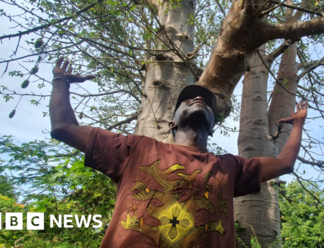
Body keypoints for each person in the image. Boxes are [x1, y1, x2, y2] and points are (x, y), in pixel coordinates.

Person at [50, 57, 308, 248]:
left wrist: (298, 124)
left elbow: (285, 163)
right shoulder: (136, 149)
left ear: (213, 128)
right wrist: (61, 81)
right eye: (187, 101)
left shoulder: (230, 167)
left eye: (207, 104)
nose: (199, 101)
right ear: (172, 123)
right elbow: (64, 128)